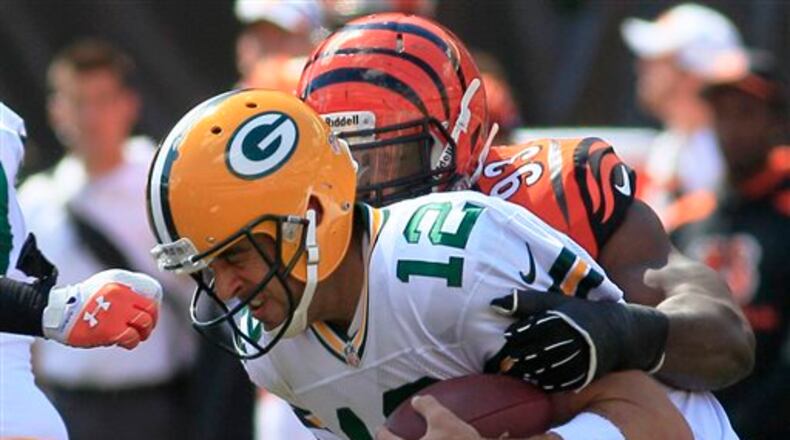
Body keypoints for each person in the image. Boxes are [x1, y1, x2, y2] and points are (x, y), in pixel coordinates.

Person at [146, 88, 732, 439]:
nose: (225, 288)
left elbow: (655, 417)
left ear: (317, 211)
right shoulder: (272, 352)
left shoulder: (455, 256)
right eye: (203, 268)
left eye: (236, 254)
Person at [298, 11, 753, 394]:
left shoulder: (551, 193)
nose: (360, 188)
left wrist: (617, 333)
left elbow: (726, 336)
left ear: (460, 136)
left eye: (385, 157)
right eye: (340, 162)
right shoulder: (289, 239)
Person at [18, 39, 195, 440]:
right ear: (56, 110)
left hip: (160, 407)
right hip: (66, 407)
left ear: (129, 104)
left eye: (103, 99)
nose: (91, 117)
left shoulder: (167, 184)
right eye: (78, 101)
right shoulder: (35, 202)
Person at [0, 101, 163, 439]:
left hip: (157, 399)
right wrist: (53, 309)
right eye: (80, 102)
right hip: (58, 397)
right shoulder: (41, 195)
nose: (92, 118)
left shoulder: (153, 173)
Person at [669, 50, 790, 438]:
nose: (732, 128)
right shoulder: (687, 220)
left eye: (746, 112)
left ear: (776, 121)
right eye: (723, 114)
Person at [620, 3, 743, 219]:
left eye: (658, 59)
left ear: (691, 75)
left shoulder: (731, 158)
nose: (642, 66)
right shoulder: (670, 147)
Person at [234, 0, 323, 93]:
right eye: (254, 32)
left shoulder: (314, 80)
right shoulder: (245, 87)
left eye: (278, 35)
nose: (255, 44)